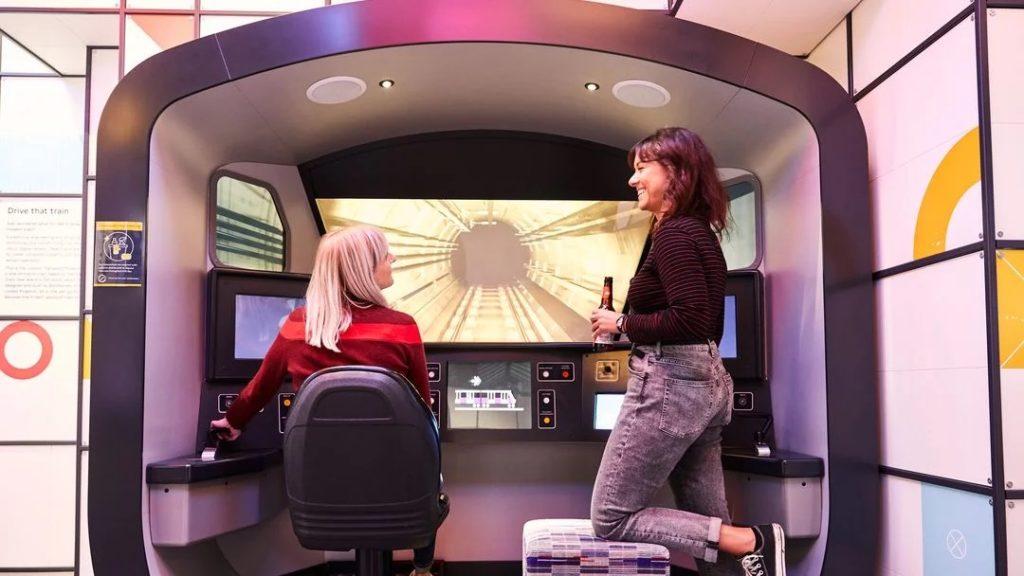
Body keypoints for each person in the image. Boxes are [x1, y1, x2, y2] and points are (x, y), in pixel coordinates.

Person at [589, 127, 786, 576]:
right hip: (702, 383)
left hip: (671, 384)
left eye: (642, 170)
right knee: (708, 524)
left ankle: (751, 540)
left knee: (611, 517)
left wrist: (621, 323)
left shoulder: (676, 235)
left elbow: (691, 320)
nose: (632, 181)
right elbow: (701, 324)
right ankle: (744, 551)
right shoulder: (696, 232)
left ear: (675, 173)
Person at [210, 225, 440, 576]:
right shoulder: (401, 327)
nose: (393, 258)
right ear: (364, 267)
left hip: (320, 486)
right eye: (385, 254)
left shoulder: (298, 325)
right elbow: (423, 412)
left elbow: (261, 387)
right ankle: (422, 569)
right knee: (431, 480)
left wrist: (233, 422)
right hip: (394, 482)